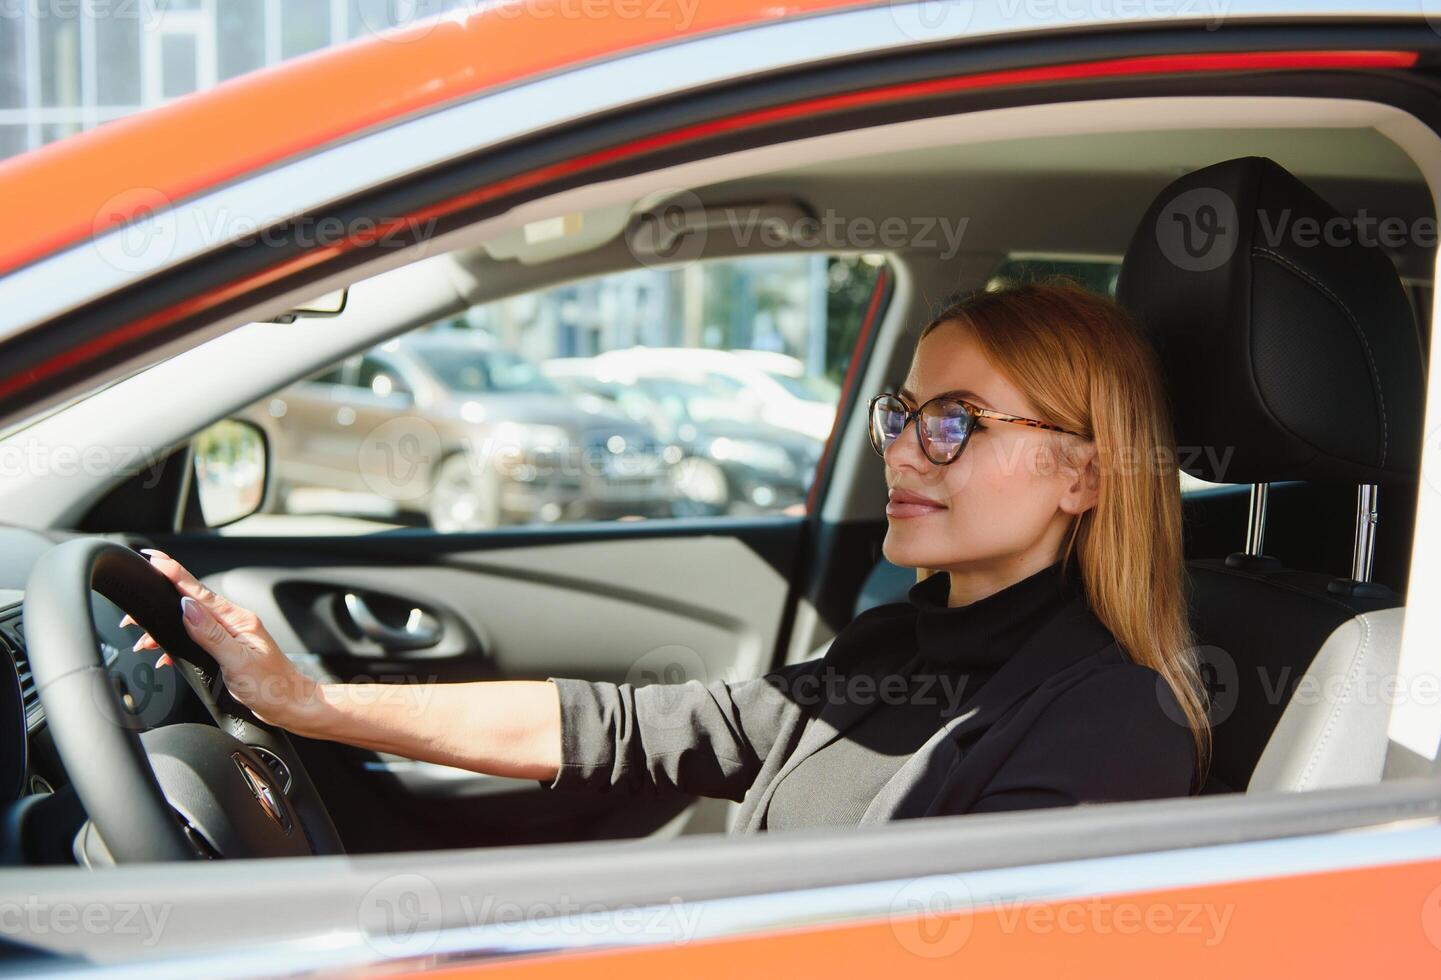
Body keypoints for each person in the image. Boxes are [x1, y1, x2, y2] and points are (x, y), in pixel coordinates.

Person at [127, 280, 1210, 833]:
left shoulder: (1110, 720)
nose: (900, 448)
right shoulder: (900, 641)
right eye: (903, 411)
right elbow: (635, 730)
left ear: (1085, 474)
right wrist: (311, 702)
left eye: (957, 420)